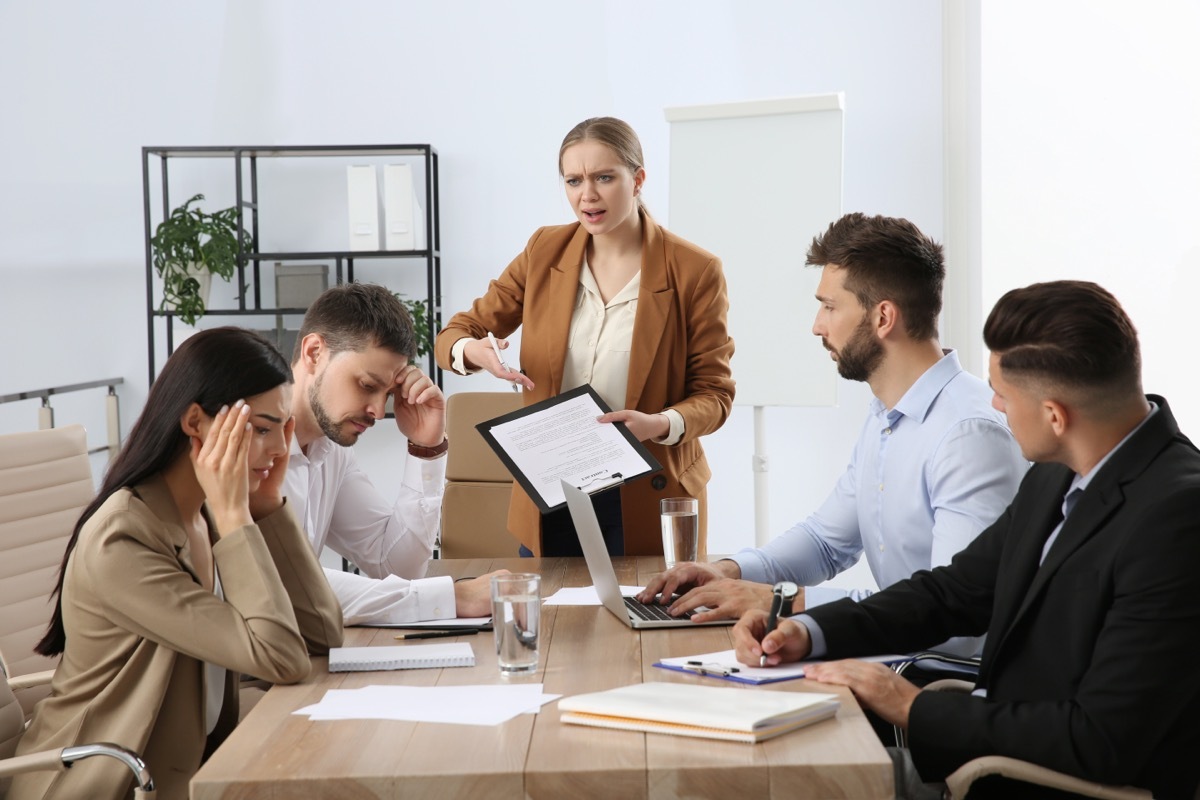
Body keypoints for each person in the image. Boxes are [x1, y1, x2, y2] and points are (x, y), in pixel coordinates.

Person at [734, 281, 1200, 800]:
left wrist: (911, 706)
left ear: (1054, 414)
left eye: (1002, 393)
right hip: (990, 753)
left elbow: (1103, 738)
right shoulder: (1059, 471)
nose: (993, 405)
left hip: (1046, 781)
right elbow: (954, 592)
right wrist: (808, 630)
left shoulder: (1177, 518)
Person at [639, 213, 1027, 657]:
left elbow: (958, 620)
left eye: (829, 306)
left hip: (942, 682)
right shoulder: (887, 414)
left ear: (883, 317)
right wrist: (727, 571)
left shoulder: (967, 435)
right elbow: (826, 542)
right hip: (894, 657)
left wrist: (785, 604)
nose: (817, 326)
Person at [14, 328, 343, 800]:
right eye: (264, 428)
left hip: (186, 766)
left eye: (283, 431)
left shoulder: (204, 511)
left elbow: (323, 634)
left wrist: (266, 506)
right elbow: (283, 658)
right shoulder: (124, 538)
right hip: (104, 784)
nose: (279, 451)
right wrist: (236, 516)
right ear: (195, 422)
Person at [434, 116, 735, 557]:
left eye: (604, 178)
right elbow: (455, 334)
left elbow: (715, 394)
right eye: (573, 180)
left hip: (646, 487)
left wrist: (660, 424)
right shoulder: (544, 251)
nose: (587, 195)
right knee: (553, 621)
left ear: (638, 180)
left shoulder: (694, 271)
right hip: (552, 487)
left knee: (646, 621)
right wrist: (473, 350)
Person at [284, 283, 501, 625]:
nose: (376, 410)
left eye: (387, 393)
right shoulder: (249, 441)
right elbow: (282, 587)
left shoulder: (330, 451)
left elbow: (395, 566)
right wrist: (451, 597)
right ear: (314, 353)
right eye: (367, 385)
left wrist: (426, 449)